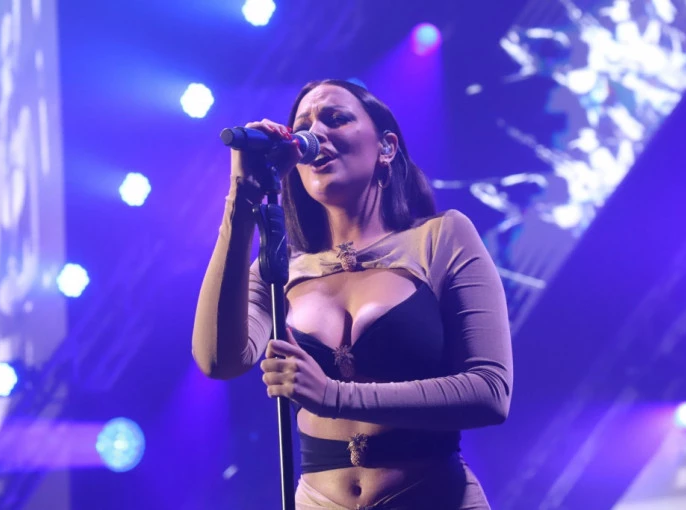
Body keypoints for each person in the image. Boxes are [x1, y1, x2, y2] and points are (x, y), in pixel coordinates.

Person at [192, 79, 513, 509]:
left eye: (335, 118)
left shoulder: (441, 237)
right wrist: (242, 196)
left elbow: (490, 392)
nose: (314, 133)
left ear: (386, 147)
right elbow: (217, 359)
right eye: (303, 126)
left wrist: (332, 396)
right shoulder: (279, 269)